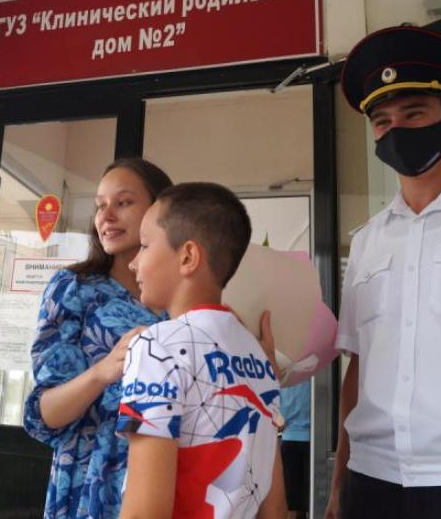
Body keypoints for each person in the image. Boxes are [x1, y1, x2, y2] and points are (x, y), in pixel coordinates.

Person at [326, 25, 441, 519]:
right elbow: (358, 367)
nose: (397, 130)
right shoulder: (368, 240)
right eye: (382, 121)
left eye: (414, 113)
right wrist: (339, 483)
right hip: (373, 480)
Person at [117, 182, 287, 519]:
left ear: (188, 257)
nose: (134, 263)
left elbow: (144, 513)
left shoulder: (156, 346)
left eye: (145, 245)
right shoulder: (259, 357)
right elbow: (275, 508)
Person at [23, 157, 173, 519]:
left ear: (161, 211)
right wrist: (102, 372)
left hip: (165, 473)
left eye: (124, 202)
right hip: (90, 479)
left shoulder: (177, 295)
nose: (106, 216)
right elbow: (44, 415)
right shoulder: (73, 288)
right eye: (100, 205)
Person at [280, 380, 311, 519]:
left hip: (289, 439)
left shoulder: (284, 378)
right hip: (314, 441)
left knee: (290, 502)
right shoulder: (313, 377)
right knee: (312, 499)